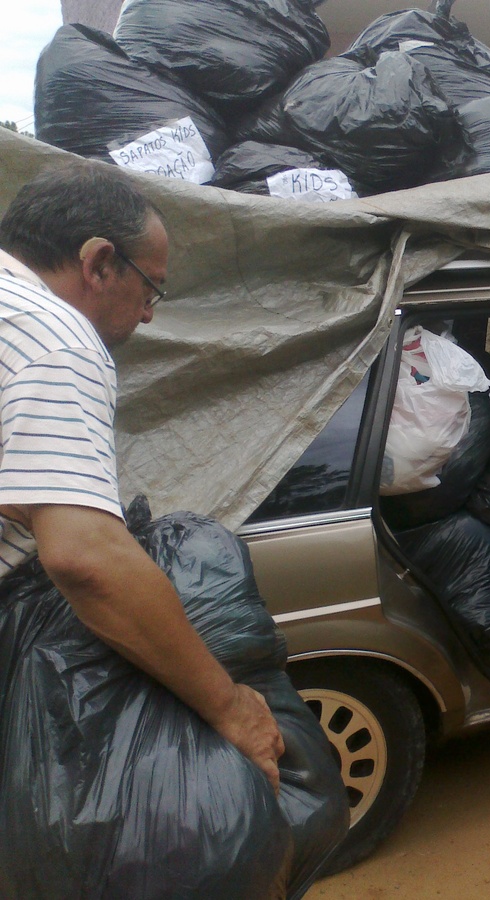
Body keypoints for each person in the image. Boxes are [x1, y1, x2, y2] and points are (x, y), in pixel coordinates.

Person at [0, 161, 285, 791]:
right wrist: (229, 708)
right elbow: (86, 560)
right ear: (100, 264)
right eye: (150, 290)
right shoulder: (58, 341)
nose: (150, 315)